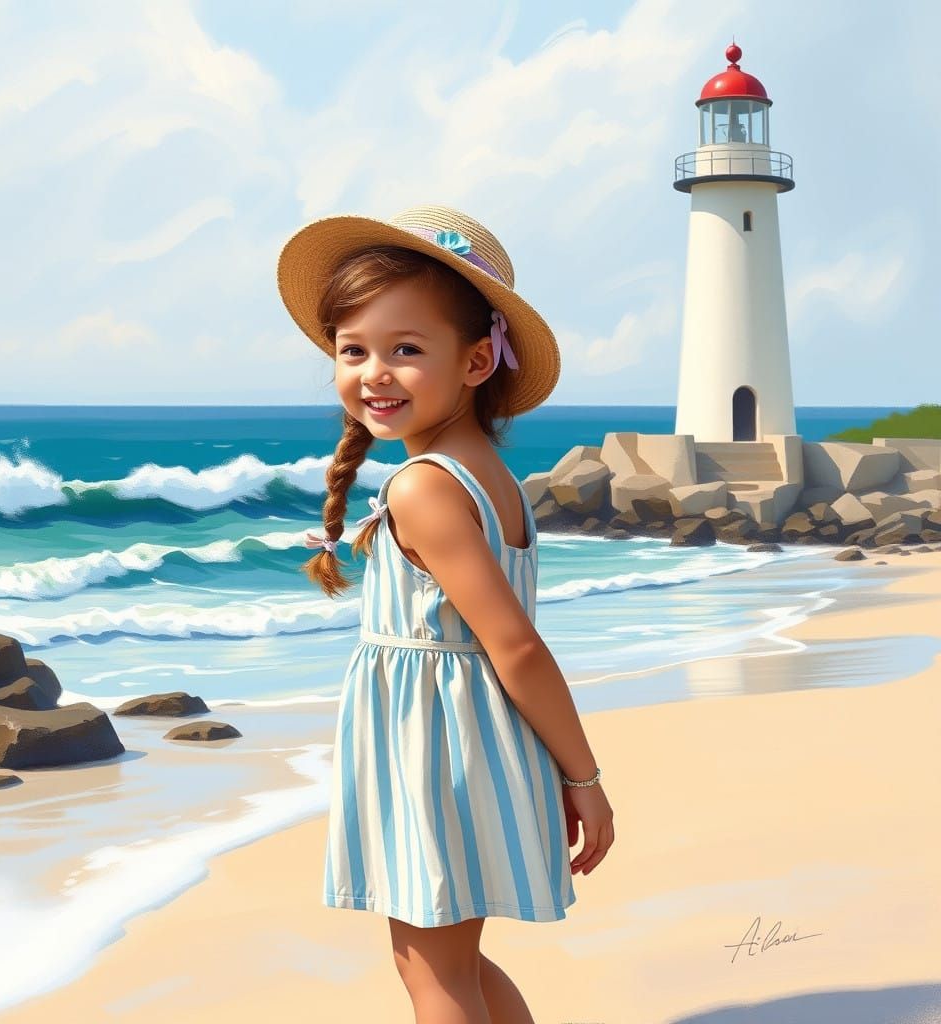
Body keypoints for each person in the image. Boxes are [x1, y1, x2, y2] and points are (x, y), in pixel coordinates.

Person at [277, 204, 615, 1023]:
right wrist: (570, 773)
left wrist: (586, 778)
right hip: (469, 748)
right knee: (453, 965)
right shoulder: (487, 475)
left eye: (405, 350)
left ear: (474, 362)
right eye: (352, 350)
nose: (374, 373)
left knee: (430, 974)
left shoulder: (422, 486)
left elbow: (516, 648)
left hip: (434, 758)